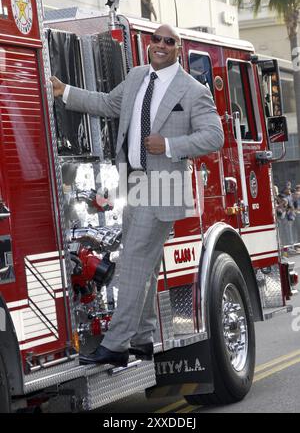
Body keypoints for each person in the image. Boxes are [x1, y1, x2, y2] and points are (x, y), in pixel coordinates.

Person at [51, 24, 224, 367]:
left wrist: (171, 145)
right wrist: (64, 91)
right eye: (156, 40)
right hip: (133, 180)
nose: (160, 45)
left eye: (169, 41)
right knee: (144, 264)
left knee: (131, 263)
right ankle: (143, 339)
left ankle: (115, 345)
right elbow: (106, 104)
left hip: (164, 183)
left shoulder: (191, 90)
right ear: (149, 44)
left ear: (179, 47)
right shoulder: (136, 77)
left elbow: (214, 136)